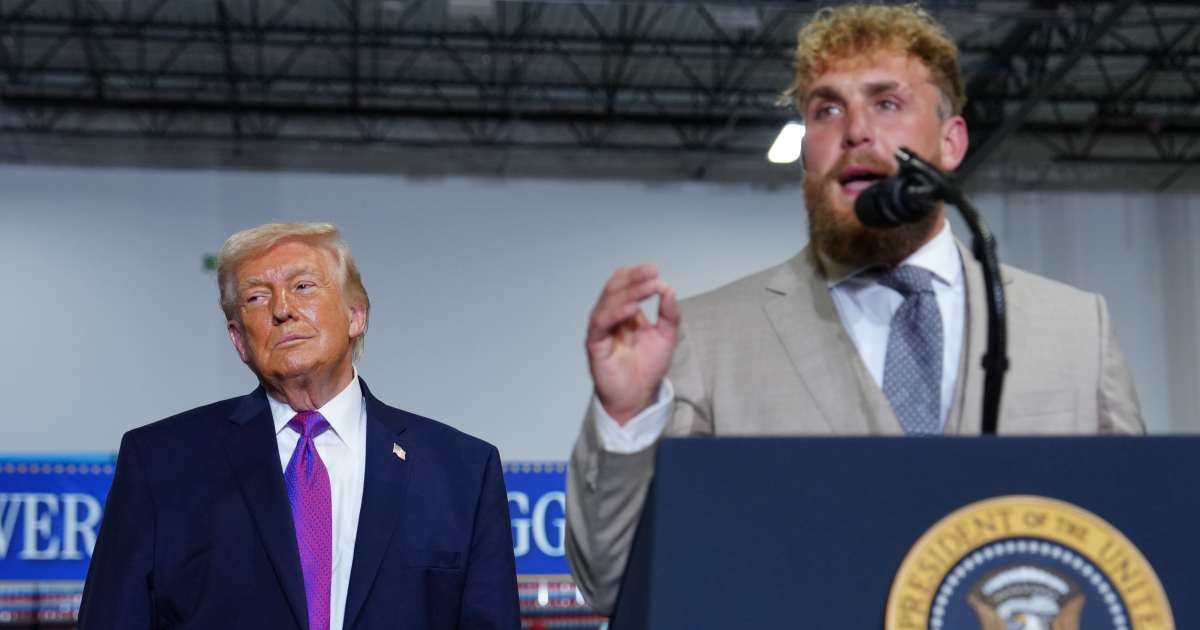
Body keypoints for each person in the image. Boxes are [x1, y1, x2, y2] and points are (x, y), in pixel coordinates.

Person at [565, 3, 1145, 615]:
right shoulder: (705, 340)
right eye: (826, 109)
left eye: (887, 103)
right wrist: (626, 418)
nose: (855, 130)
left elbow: (1139, 550)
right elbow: (613, 581)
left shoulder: (1076, 329)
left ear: (951, 143)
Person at [79, 223, 520, 629]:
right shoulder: (160, 464)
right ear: (238, 340)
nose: (282, 309)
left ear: (356, 315)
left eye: (303, 286)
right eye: (256, 297)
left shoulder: (462, 471)